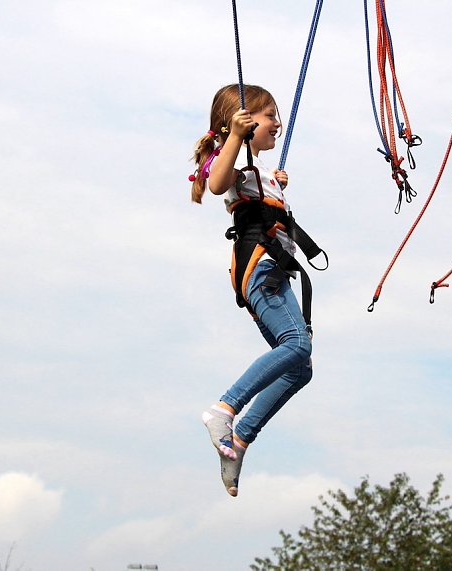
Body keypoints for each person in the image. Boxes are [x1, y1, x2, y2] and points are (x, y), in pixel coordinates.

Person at [190, 84, 314, 497]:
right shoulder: (233, 165)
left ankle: (239, 441)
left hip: (275, 271)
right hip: (260, 270)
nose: (277, 123)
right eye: (269, 117)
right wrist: (236, 139)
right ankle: (224, 409)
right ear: (240, 123)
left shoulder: (259, 172)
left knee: (300, 367)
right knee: (296, 344)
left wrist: (275, 184)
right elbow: (216, 183)